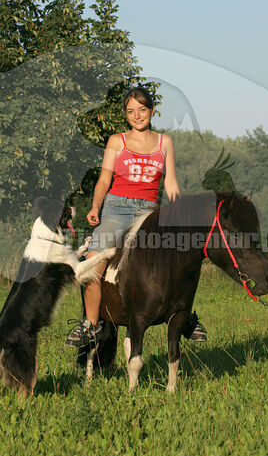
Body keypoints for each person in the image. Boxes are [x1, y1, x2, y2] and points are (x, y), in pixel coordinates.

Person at [65, 86, 207, 347]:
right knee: (92, 260)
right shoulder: (116, 141)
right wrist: (96, 206)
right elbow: (104, 179)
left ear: (152, 111)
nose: (137, 115)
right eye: (131, 111)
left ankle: (186, 317)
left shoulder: (165, 143)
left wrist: (179, 213)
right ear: (126, 115)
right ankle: (91, 325)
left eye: (142, 110)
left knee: (182, 256)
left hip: (149, 210)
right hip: (117, 209)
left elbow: (171, 183)